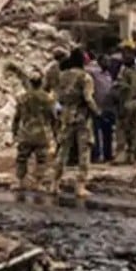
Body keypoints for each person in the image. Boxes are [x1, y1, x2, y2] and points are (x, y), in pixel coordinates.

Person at [52, 48, 100, 198]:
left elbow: (58, 96)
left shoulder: (62, 76)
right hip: (82, 117)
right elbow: (88, 98)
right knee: (84, 152)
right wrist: (97, 112)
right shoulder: (85, 77)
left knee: (62, 151)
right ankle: (80, 186)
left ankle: (54, 183)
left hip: (66, 116)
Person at [11, 73, 57, 191]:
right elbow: (53, 117)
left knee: (22, 158)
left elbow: (17, 117)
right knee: (41, 159)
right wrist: (55, 133)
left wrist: (14, 132)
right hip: (42, 133)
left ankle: (21, 181)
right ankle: (38, 182)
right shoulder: (47, 98)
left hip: (26, 132)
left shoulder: (23, 98)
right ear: (41, 83)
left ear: (30, 83)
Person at [114, 47, 136, 164]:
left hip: (127, 103)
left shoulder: (124, 73)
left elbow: (122, 90)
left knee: (122, 130)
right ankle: (133, 154)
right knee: (134, 130)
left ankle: (122, 155)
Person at [87, 52, 115, 163]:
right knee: (95, 133)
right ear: (100, 62)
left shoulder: (108, 74)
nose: (108, 63)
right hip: (97, 106)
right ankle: (96, 155)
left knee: (108, 132)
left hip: (108, 107)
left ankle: (108, 155)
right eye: (105, 61)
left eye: (109, 61)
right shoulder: (93, 73)